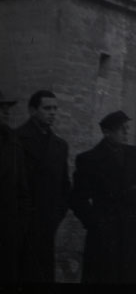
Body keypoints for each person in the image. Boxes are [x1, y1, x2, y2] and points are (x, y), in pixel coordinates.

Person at [70, 110, 136, 283]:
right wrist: (95, 224)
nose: (126, 132)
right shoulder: (89, 159)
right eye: (122, 129)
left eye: (127, 128)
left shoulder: (134, 154)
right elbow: (77, 199)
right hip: (104, 236)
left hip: (130, 231)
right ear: (107, 132)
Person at [16, 89, 70, 283]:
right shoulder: (16, 140)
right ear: (32, 110)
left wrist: (56, 214)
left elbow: (65, 186)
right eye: (47, 108)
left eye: (55, 108)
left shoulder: (59, 145)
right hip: (19, 224)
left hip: (47, 223)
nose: (53, 113)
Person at [0, 90, 30, 284]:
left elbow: (22, 190)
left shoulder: (13, 143)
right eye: (1, 108)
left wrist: (19, 226)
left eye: (8, 108)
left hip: (7, 230)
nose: (7, 112)